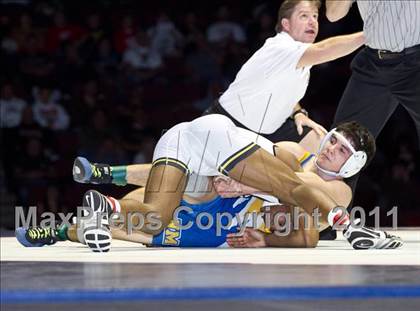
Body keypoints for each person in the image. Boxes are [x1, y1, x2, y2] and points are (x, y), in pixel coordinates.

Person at [16, 120, 402, 250]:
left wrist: (267, 238)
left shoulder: (340, 190)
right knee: (282, 186)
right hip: (222, 169)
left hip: (187, 147)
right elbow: (294, 188)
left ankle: (94, 211)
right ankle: (350, 229)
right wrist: (245, 182)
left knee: (150, 220)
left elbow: (307, 236)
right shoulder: (290, 152)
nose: (330, 148)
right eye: (332, 139)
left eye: (341, 149)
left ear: (353, 164)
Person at [204, 0, 365, 143]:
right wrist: (369, 35)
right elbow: (324, 49)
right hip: (227, 125)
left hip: (267, 132)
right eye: (304, 16)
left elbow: (283, 92)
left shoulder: (300, 57)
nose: (312, 22)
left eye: (315, 16)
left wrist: (298, 113)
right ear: (286, 25)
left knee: (320, 141)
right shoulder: (280, 47)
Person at [325, 1, 420, 192]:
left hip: (416, 63)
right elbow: (333, 14)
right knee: (342, 145)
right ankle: (331, 218)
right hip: (373, 64)